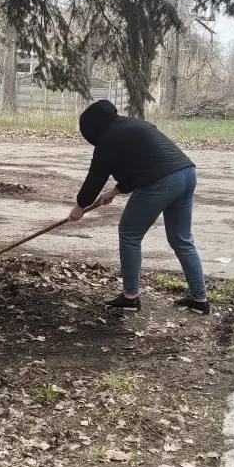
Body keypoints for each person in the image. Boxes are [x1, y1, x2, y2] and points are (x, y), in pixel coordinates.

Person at [69, 99, 209, 314]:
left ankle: (130, 297)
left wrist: (80, 206)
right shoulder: (135, 125)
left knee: (129, 233)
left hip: (162, 183)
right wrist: (114, 192)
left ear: (93, 128)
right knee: (181, 239)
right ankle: (200, 299)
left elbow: (95, 178)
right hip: (186, 174)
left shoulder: (108, 139)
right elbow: (143, 166)